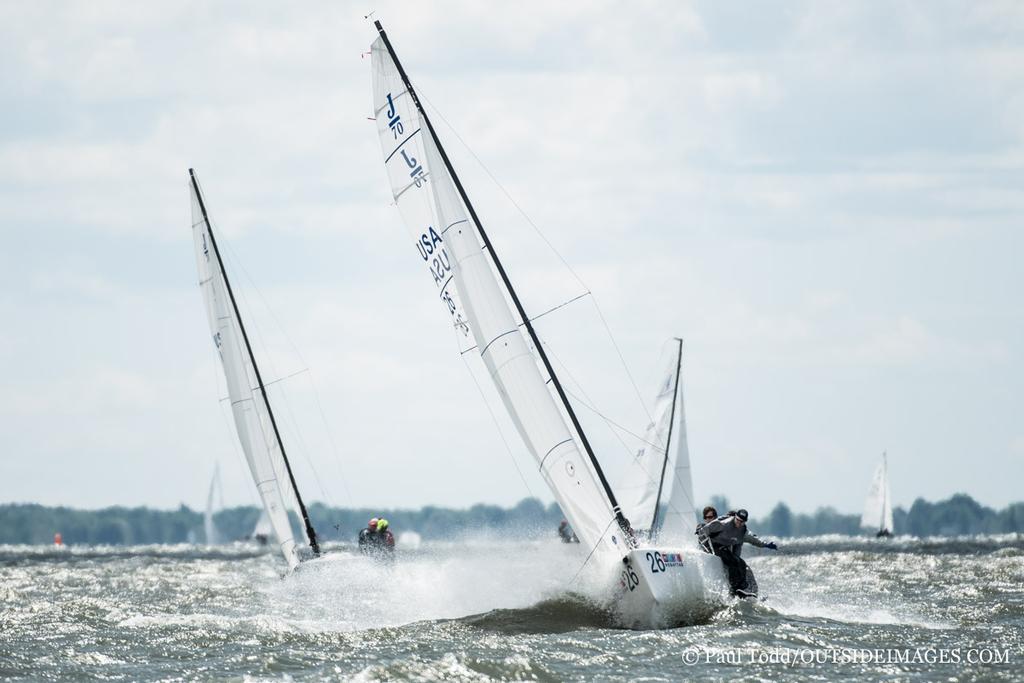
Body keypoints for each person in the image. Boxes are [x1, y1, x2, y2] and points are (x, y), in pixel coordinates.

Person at [701, 509, 778, 595]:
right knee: (732, 561)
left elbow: (754, 540)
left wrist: (766, 545)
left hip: (725, 549)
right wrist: (705, 547)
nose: (739, 523)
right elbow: (704, 530)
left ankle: (750, 590)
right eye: (737, 520)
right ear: (735, 518)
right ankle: (735, 588)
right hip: (714, 546)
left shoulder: (743, 531)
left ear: (745, 522)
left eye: (742, 522)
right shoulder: (723, 524)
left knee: (741, 564)